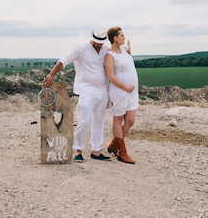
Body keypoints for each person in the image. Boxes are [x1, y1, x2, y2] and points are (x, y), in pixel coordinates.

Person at [43, 28, 112, 163]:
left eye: (101, 42)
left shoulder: (106, 50)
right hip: (86, 89)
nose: (99, 45)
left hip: (102, 89)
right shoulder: (81, 49)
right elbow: (64, 60)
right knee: (84, 121)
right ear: (92, 39)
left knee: (99, 121)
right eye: (97, 42)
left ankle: (96, 151)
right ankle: (78, 150)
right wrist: (51, 74)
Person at [104, 26, 139, 164]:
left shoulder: (123, 50)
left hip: (132, 91)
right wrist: (125, 87)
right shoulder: (109, 55)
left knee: (130, 120)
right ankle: (122, 153)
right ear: (115, 38)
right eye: (122, 36)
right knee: (118, 120)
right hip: (120, 91)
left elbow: (129, 48)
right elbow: (111, 77)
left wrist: (128, 44)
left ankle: (114, 144)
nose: (124, 38)